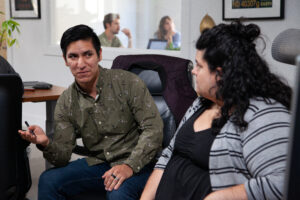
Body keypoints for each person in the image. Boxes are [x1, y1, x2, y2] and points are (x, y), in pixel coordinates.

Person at [141, 21, 292, 200]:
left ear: (220, 75)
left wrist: (217, 197)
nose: (193, 72)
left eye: (199, 66)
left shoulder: (263, 115)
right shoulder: (202, 102)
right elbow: (168, 156)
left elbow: (282, 184)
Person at [18, 24, 163, 200]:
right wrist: (46, 143)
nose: (81, 64)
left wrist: (129, 166)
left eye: (88, 54)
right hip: (101, 163)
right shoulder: (66, 101)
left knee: (118, 193)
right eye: (73, 56)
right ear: (65, 60)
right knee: (49, 180)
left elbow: (153, 130)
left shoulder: (128, 83)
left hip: (141, 164)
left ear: (99, 55)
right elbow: (62, 157)